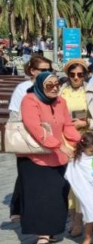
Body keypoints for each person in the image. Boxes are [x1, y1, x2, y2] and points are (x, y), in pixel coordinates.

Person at [19, 72, 82, 244]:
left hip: (58, 157)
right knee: (41, 197)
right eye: (49, 85)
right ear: (40, 85)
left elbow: (67, 126)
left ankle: (52, 229)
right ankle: (42, 235)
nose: (55, 88)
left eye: (57, 84)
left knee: (57, 196)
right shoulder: (30, 100)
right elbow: (35, 128)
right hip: (36, 157)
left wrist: (81, 142)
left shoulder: (61, 101)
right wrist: (58, 145)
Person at [61, 58, 93, 236]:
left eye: (80, 74)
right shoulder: (61, 92)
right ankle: (74, 218)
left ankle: (84, 218)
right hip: (66, 141)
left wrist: (86, 122)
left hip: (85, 141)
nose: (76, 77)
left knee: (85, 181)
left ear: (85, 75)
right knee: (71, 181)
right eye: (72, 74)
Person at [8, 55, 52, 222]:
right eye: (43, 70)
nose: (47, 72)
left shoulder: (51, 85)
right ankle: (19, 209)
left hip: (47, 136)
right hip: (28, 137)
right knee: (26, 174)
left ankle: (40, 208)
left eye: (49, 69)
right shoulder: (23, 88)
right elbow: (14, 114)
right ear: (33, 71)